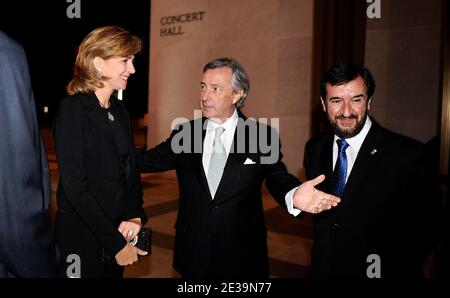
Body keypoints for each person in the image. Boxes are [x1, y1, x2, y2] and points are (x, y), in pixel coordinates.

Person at [138, 57, 340, 278]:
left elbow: (276, 176)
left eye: (215, 89)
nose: (205, 96)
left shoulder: (261, 136)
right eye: (203, 87)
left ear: (237, 94)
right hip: (194, 252)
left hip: (243, 254)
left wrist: (293, 194)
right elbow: (145, 160)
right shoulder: (186, 134)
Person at [300, 62, 440, 277]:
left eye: (356, 100)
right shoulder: (315, 148)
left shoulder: (408, 155)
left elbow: (428, 228)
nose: (346, 112)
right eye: (336, 101)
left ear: (369, 102)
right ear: (323, 103)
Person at [53, 26, 148, 278]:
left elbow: (130, 170)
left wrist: (135, 214)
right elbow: (75, 187)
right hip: (82, 237)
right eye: (125, 61)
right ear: (98, 63)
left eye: (133, 61)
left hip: (116, 232)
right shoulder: (72, 109)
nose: (132, 69)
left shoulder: (120, 110)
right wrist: (115, 244)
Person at [0, 31, 59, 277]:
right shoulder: (4, 53)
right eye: (125, 60)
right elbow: (14, 195)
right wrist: (48, 268)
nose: (131, 68)